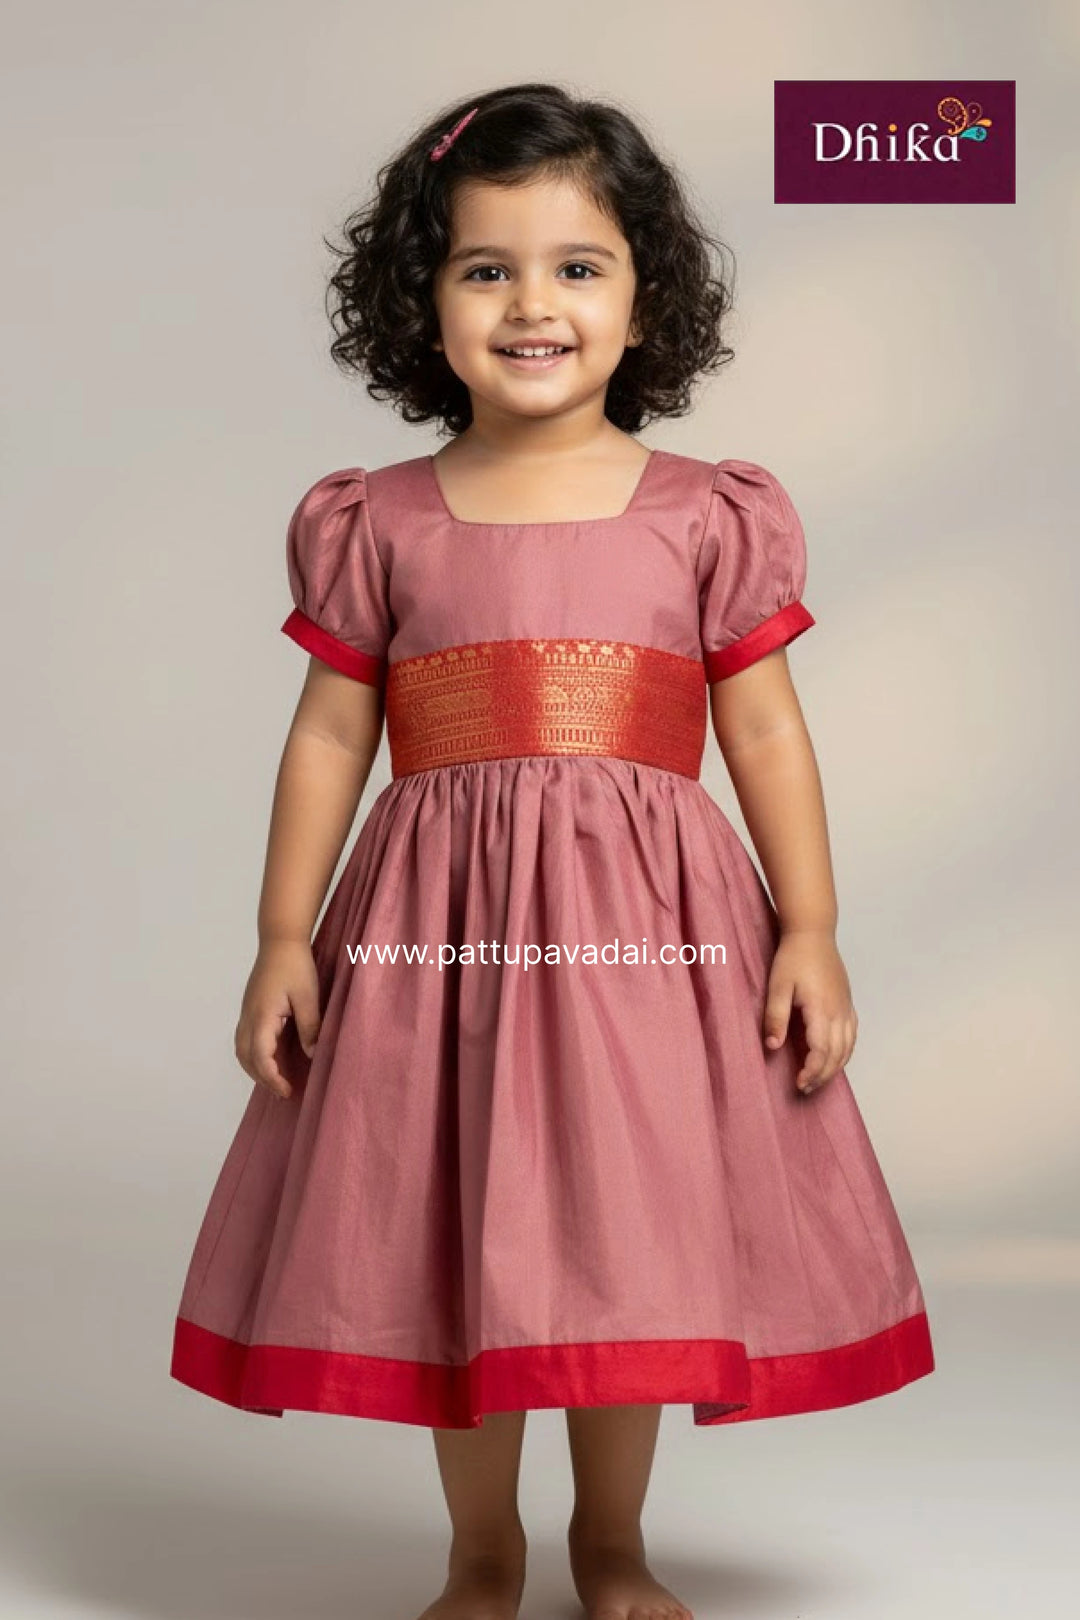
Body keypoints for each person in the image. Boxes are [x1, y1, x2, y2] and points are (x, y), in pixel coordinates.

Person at [170, 82, 935, 1620]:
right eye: (486, 269)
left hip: (651, 938)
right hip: (432, 936)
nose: (534, 304)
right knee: (459, 1220)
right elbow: (331, 736)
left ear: (647, 295)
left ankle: (609, 1540)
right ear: (424, 303)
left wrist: (811, 926)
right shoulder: (377, 520)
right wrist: (280, 937)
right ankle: (480, 1548)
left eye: (578, 267)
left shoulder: (706, 516)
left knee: (619, 1229)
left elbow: (765, 733)